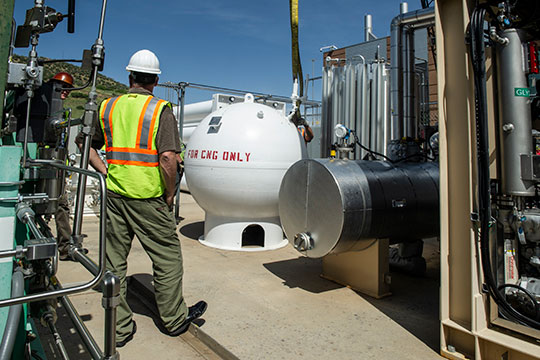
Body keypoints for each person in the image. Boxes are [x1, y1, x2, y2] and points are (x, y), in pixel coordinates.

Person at [76, 49, 207, 347]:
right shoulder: (160, 109)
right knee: (167, 258)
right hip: (149, 198)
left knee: (113, 264)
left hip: (116, 195)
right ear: (156, 80)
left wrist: (106, 171)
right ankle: (173, 320)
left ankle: (120, 330)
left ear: (130, 76)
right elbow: (169, 159)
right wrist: (170, 194)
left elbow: (84, 143)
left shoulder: (107, 107)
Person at [50, 72, 75, 260]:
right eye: (61, 87)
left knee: (62, 206)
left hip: (58, 166)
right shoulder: (43, 110)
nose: (64, 92)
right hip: (43, 162)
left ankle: (65, 247)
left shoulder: (63, 113)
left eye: (67, 89)